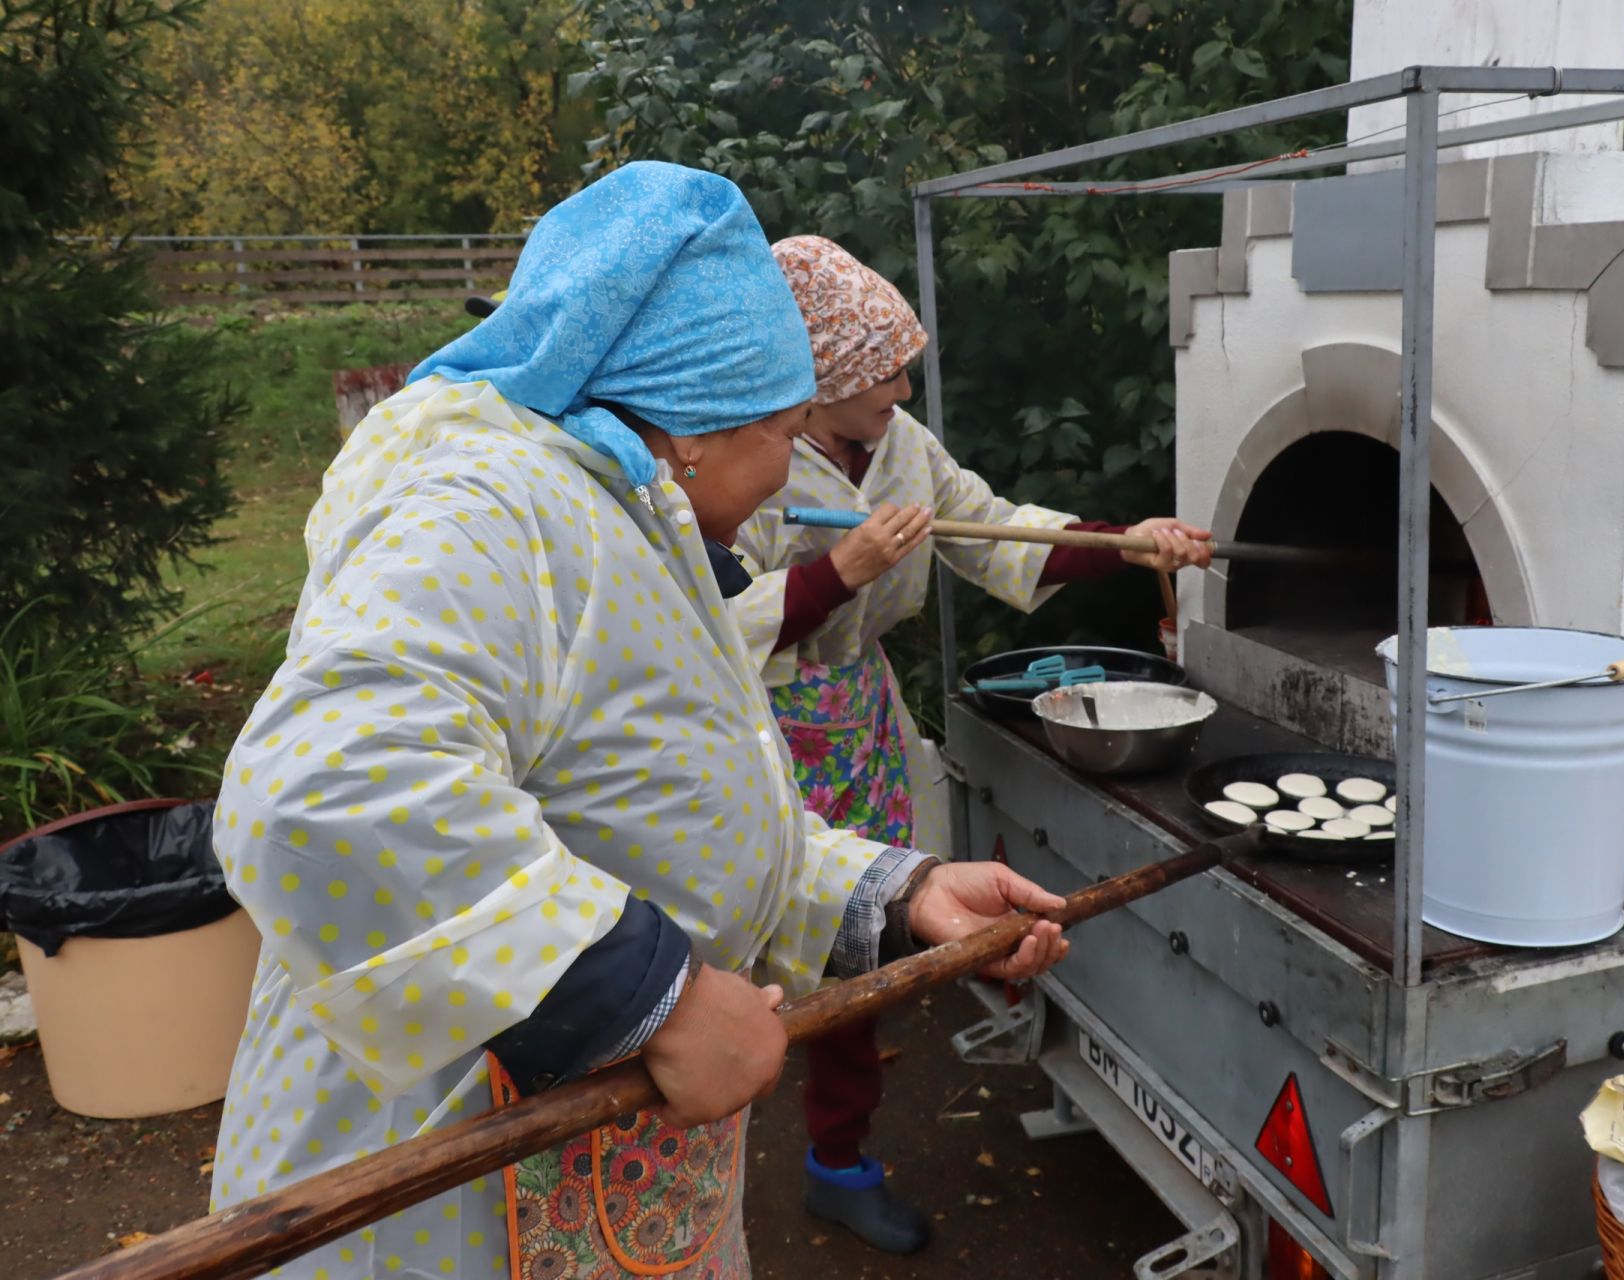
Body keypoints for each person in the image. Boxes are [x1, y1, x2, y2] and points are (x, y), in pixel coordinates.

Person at [207, 164, 1070, 1280]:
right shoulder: (490, 507)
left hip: (604, 1185)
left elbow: (663, 791)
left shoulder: (628, 510)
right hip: (445, 1201)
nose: (784, 472)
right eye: (781, 429)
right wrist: (647, 995)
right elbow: (323, 787)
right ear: (696, 423)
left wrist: (892, 894)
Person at [729, 235, 1212, 1254]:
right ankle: (721, 1146)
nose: (902, 387)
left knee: (859, 943)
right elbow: (711, 619)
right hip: (757, 721)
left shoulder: (901, 444)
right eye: (881, 371)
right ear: (813, 388)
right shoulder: (747, 458)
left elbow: (996, 528)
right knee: (747, 948)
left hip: (855, 713)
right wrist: (841, 570)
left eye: (904, 366)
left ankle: (838, 1159)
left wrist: (1123, 541)